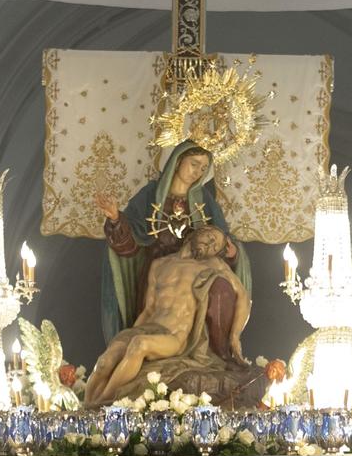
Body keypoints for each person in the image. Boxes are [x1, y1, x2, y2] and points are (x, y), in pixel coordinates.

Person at [84, 224, 261, 407]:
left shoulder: (215, 264)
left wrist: (234, 337)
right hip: (149, 327)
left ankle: (101, 405)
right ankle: (86, 406)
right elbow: (149, 309)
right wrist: (132, 332)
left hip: (175, 336)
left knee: (140, 344)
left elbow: (243, 296)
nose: (209, 244)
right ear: (195, 233)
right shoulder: (159, 265)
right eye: (209, 237)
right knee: (105, 361)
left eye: (215, 246)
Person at [94, 139, 251, 341]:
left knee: (218, 291)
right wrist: (116, 219)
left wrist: (232, 252)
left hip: (195, 272)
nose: (198, 172)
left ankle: (209, 356)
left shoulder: (203, 199)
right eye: (194, 164)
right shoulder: (151, 194)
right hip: (157, 273)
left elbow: (222, 239)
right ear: (177, 162)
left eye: (203, 168)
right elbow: (129, 246)